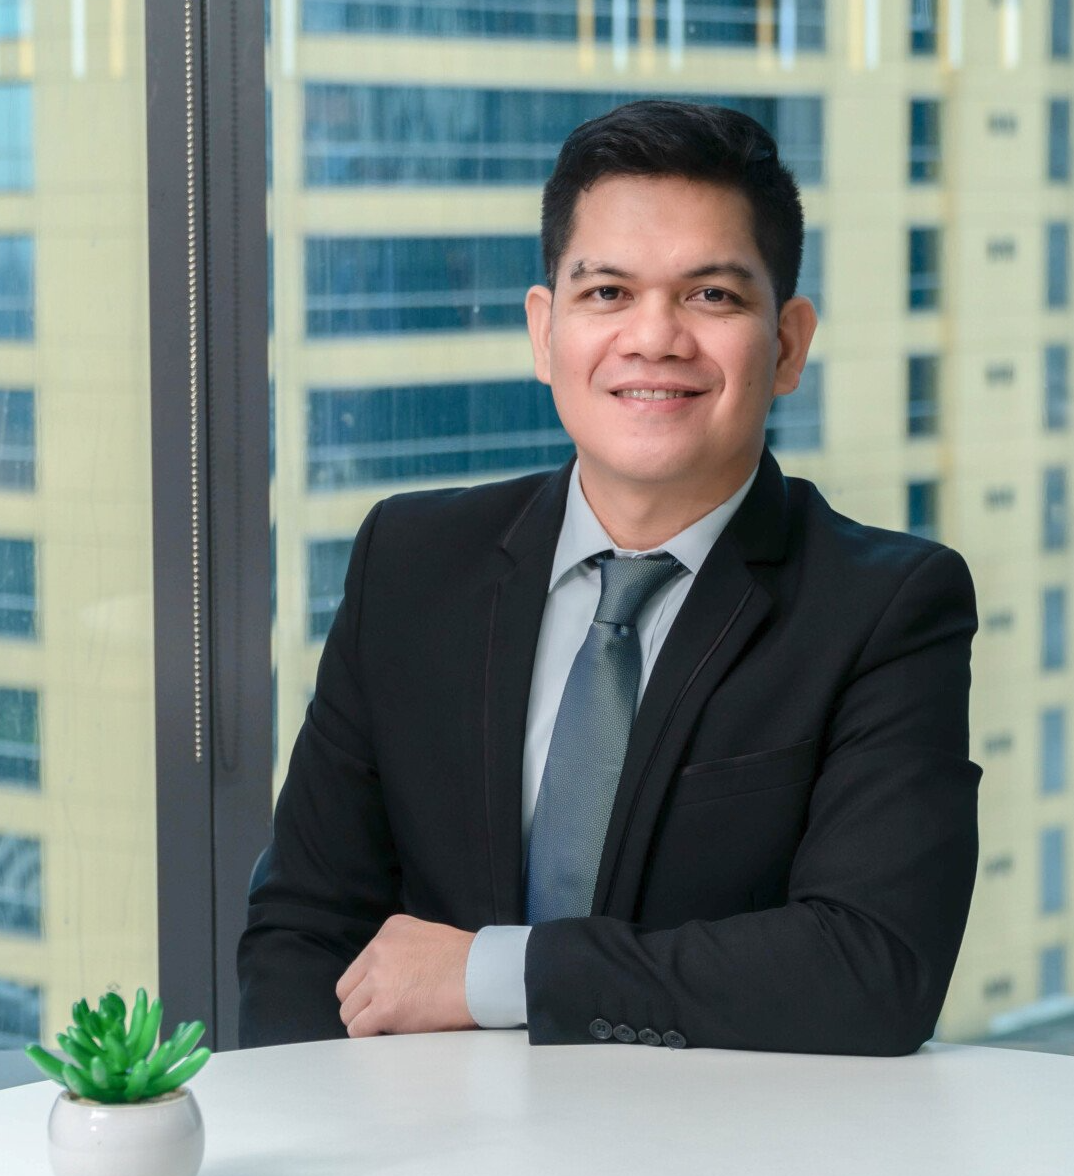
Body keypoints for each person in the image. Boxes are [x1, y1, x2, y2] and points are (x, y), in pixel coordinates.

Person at [238, 100, 981, 1055]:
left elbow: (870, 966)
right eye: (606, 294)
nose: (655, 337)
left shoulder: (886, 607)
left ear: (789, 343)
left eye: (712, 296)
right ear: (545, 333)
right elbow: (303, 932)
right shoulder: (411, 563)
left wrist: (492, 972)